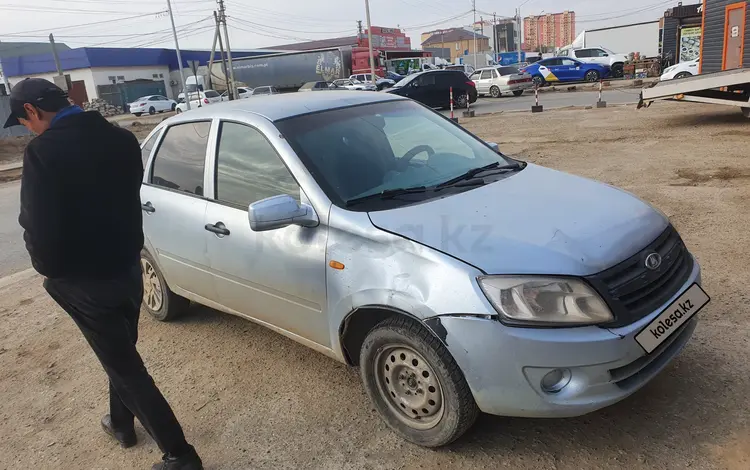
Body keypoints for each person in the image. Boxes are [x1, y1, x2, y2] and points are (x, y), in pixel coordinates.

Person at [5, 78, 203, 470]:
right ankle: (120, 423)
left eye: (24, 121)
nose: (27, 129)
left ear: (32, 111)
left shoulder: (43, 153)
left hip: (83, 281)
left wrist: (50, 274)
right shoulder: (122, 140)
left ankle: (179, 455)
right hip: (129, 268)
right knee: (119, 354)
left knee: (126, 366)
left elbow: (38, 228)